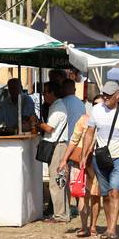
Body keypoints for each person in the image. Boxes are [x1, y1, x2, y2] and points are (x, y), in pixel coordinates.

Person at [80, 81, 119, 239]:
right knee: (106, 195)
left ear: (118, 96)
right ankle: (108, 227)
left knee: (115, 192)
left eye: (108, 95)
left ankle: (113, 229)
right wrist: (84, 154)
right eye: (104, 94)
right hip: (100, 158)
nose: (105, 97)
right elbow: (89, 132)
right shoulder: (96, 109)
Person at [59, 95, 104, 238]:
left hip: (97, 161)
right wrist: (64, 159)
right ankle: (84, 226)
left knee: (96, 196)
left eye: (101, 104)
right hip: (80, 161)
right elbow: (73, 140)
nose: (98, 107)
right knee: (81, 194)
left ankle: (93, 226)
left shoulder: (106, 122)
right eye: (95, 104)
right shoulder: (84, 120)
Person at [35, 82, 69, 222]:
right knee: (59, 180)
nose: (44, 95)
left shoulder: (58, 108)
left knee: (56, 181)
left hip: (58, 147)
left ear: (52, 93)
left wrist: (36, 122)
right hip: (58, 146)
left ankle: (60, 215)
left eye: (45, 92)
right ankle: (61, 212)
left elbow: (49, 128)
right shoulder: (55, 107)